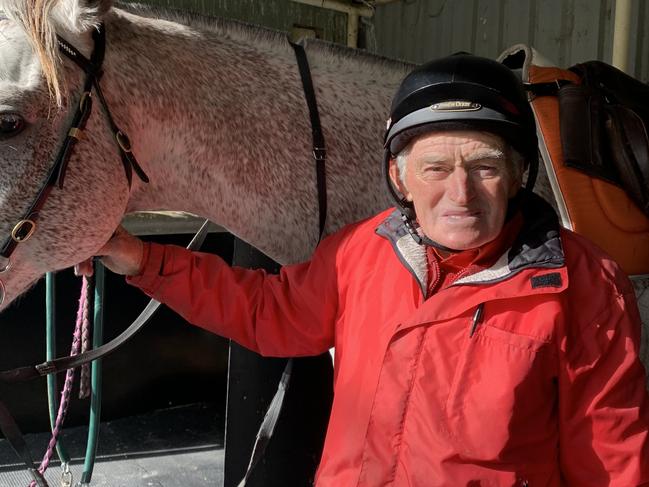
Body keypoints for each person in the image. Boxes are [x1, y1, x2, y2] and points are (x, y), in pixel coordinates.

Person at [79, 54, 649, 486]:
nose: (461, 193)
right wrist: (141, 258)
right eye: (435, 167)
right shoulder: (363, 249)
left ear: (520, 172)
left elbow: (609, 452)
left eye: (485, 167)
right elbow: (269, 311)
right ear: (400, 179)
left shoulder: (583, 285)